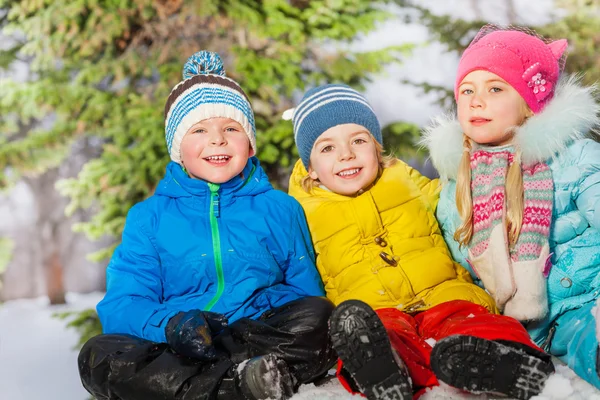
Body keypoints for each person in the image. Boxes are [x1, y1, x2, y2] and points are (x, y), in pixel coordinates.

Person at [77, 50, 336, 400]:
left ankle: (246, 377)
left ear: (250, 144)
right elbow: (123, 303)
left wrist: (259, 309)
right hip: (180, 345)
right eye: (199, 129)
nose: (218, 139)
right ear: (178, 148)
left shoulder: (279, 208)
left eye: (231, 128)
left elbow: (306, 289)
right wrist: (172, 324)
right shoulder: (149, 218)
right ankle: (230, 387)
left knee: (318, 315)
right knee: (98, 355)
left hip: (256, 332)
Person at [286, 83, 555, 400]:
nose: (346, 154)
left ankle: (508, 361)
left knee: (475, 322)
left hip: (444, 292)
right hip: (376, 309)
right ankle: (385, 371)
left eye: (358, 140)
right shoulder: (300, 211)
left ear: (377, 148)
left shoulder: (404, 180)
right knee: (374, 336)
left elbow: (454, 200)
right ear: (310, 168)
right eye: (327, 148)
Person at [420, 24, 600, 389]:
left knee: (587, 335)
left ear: (530, 104)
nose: (476, 101)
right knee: (487, 336)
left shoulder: (572, 158)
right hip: (510, 319)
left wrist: (561, 279)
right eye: (467, 90)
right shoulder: (459, 179)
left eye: (495, 89)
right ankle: (503, 367)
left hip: (580, 297)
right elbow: (459, 254)